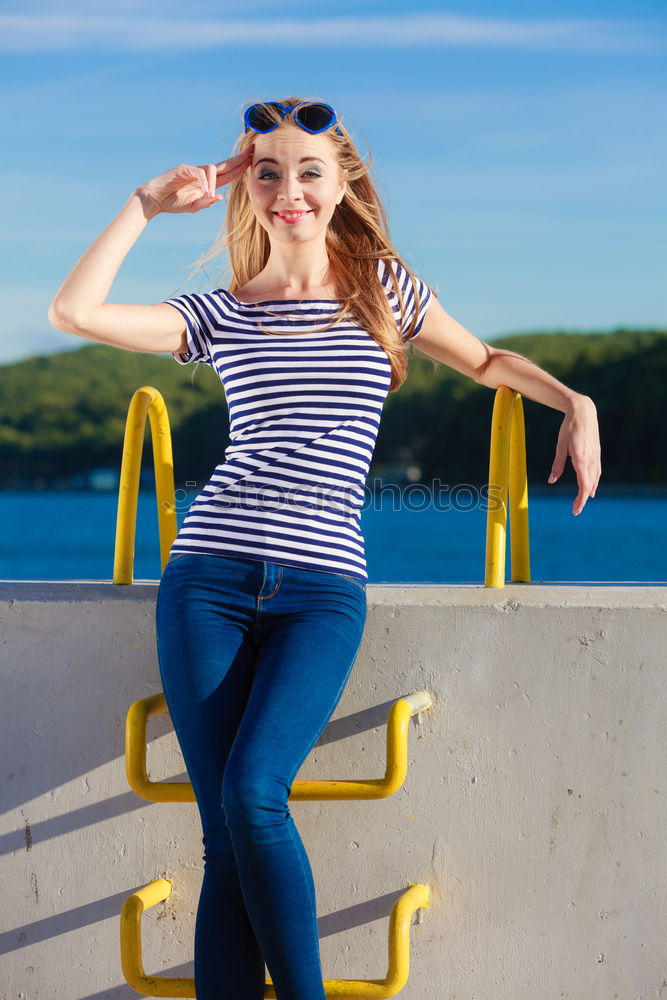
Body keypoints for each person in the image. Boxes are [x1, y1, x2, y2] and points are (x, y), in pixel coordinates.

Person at [48, 96, 601, 1000]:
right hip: (209, 579)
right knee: (223, 834)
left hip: (321, 589)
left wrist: (572, 401)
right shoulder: (220, 311)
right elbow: (72, 312)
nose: (288, 189)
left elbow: (489, 362)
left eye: (309, 171)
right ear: (247, 188)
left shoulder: (386, 290)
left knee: (253, 792)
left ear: (344, 184)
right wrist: (144, 204)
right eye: (267, 171)